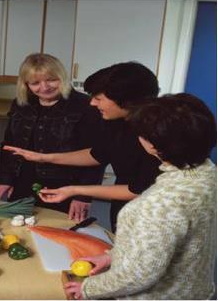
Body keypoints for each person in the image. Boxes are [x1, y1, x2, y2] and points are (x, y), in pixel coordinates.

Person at [64, 93, 217, 300]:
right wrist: (112, 257)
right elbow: (164, 243)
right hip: (196, 291)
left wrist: (89, 288)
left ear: (153, 145)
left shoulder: (159, 204)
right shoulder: (208, 173)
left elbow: (137, 275)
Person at [4, 62, 162, 231]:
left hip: (152, 211)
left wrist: (75, 191)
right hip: (125, 204)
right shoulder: (118, 122)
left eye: (98, 98)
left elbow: (138, 189)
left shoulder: (155, 132)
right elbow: (98, 154)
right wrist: (43, 157)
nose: (93, 103)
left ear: (125, 100)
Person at [0, 53, 104, 217]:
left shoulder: (85, 106)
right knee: (20, 229)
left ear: (61, 77)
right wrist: (5, 179)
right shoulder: (21, 104)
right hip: (23, 182)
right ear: (26, 84)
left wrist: (83, 196)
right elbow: (9, 145)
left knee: (58, 232)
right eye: (35, 82)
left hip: (65, 186)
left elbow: (96, 156)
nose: (44, 87)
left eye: (51, 79)